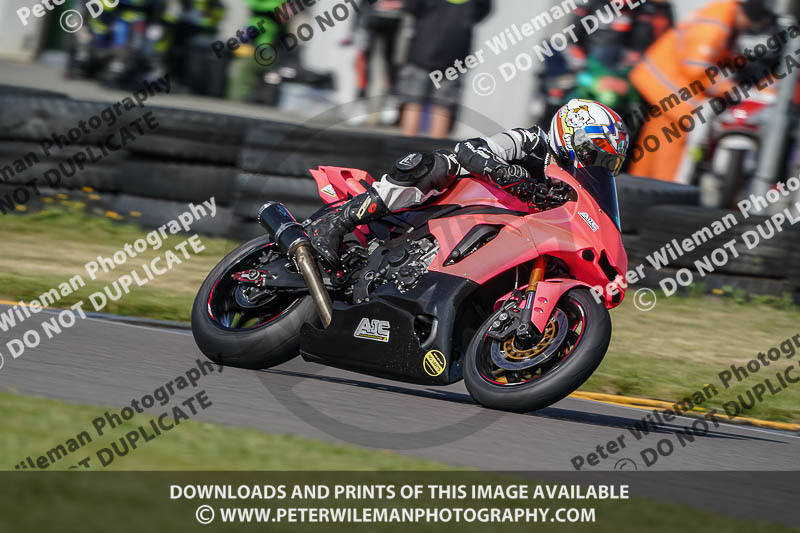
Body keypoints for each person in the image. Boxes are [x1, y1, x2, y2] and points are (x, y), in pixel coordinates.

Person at [309, 99, 629, 267]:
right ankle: (337, 222)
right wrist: (507, 174)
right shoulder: (532, 142)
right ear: (571, 134)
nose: (595, 163)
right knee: (439, 164)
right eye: (594, 152)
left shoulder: (567, 190)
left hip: (497, 233)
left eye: (605, 162)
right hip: (452, 201)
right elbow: (471, 148)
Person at [628, 0, 774, 182]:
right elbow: (697, 68)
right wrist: (729, 89)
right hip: (670, 86)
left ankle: (638, 193)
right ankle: (662, 191)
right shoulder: (716, 24)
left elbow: (716, 57)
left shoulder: (724, 15)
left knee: (652, 147)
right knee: (670, 147)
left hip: (664, 83)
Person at [397, 0, 492, 138]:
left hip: (422, 48)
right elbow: (483, 10)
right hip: (455, 51)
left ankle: (405, 151)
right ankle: (436, 155)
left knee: (413, 101)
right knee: (443, 105)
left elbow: (411, 6)